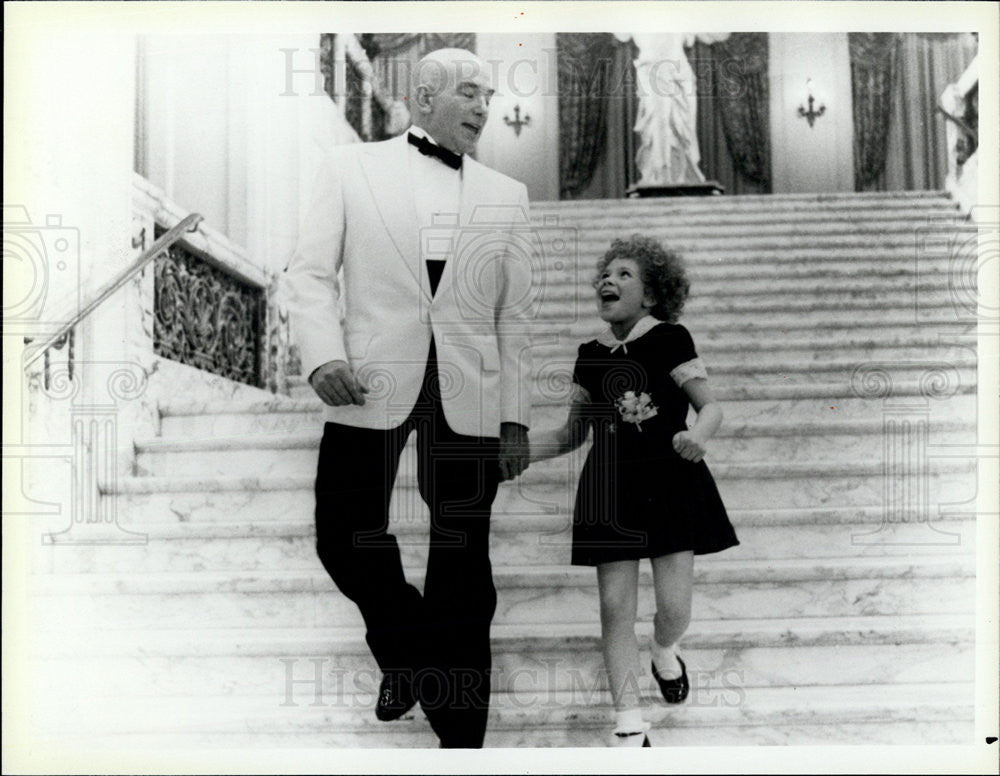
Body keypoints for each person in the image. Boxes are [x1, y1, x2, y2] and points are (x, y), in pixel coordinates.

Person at [282, 48, 533, 749]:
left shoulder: (506, 195)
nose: (486, 109)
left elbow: (515, 317)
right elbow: (306, 275)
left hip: (470, 391)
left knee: (463, 560)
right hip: (366, 378)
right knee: (343, 534)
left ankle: (463, 739)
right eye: (471, 95)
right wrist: (324, 355)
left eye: (488, 96)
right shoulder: (347, 167)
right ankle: (412, 655)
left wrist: (515, 417)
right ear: (424, 98)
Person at [529, 235, 738, 747]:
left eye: (625, 274)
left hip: (670, 478)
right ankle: (628, 722)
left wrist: (699, 436)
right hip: (610, 487)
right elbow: (569, 435)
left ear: (650, 296)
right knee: (614, 608)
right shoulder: (588, 356)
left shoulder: (671, 338)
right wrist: (511, 453)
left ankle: (665, 651)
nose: (608, 280)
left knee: (675, 605)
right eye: (606, 274)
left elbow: (709, 406)